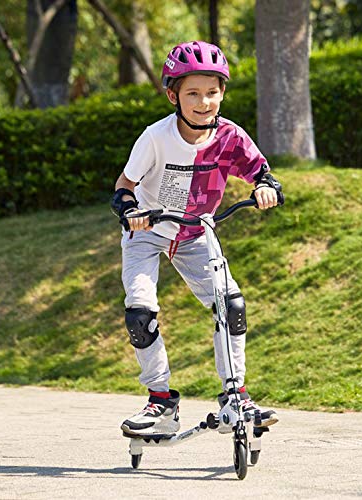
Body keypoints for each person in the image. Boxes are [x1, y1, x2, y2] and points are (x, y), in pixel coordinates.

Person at [111, 41, 284, 438]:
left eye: (212, 92)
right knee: (140, 312)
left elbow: (261, 172)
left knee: (231, 303)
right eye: (192, 93)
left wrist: (264, 188)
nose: (204, 102)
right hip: (148, 231)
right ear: (173, 95)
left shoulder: (230, 137)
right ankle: (161, 401)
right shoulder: (155, 137)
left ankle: (235, 396)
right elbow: (125, 185)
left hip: (195, 233)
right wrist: (129, 210)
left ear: (222, 93)